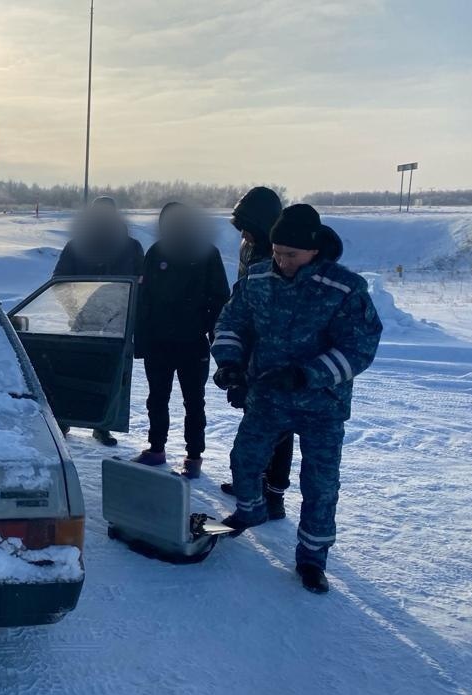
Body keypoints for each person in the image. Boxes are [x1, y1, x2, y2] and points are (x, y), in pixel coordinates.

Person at [211, 204, 382, 594]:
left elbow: (359, 348)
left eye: (291, 254)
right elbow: (231, 323)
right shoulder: (257, 279)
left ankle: (311, 558)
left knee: (320, 484)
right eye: (277, 251)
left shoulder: (345, 288)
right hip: (268, 397)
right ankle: (250, 512)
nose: (282, 261)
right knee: (244, 460)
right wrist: (231, 366)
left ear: (314, 250)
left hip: (322, 404)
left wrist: (306, 374)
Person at [132, 202, 229, 477]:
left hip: (193, 343)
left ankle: (194, 456)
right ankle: (156, 448)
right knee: (157, 398)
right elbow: (144, 300)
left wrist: (217, 339)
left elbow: (220, 299)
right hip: (158, 343)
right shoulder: (156, 253)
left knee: (194, 401)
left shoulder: (207, 254)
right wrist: (142, 341)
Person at [220, 186, 292, 519]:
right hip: (250, 343)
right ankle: (250, 480)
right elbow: (243, 294)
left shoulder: (283, 255)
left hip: (277, 350)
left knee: (279, 421)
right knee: (254, 417)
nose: (244, 234)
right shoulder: (249, 247)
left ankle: (274, 494)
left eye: (248, 227)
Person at [52, 196, 144, 446]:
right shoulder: (76, 246)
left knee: (112, 375)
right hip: (85, 321)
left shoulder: (131, 247)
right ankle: (63, 419)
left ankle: (103, 424)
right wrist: (75, 310)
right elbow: (59, 281)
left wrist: (130, 315)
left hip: (118, 324)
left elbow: (141, 283)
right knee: (74, 372)